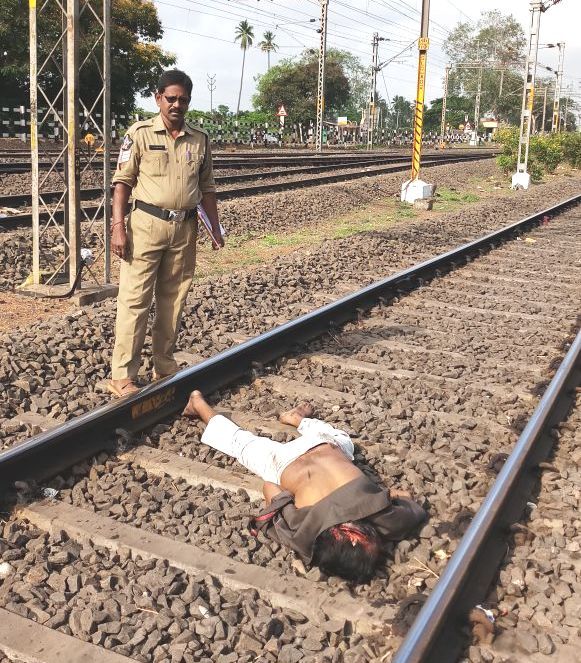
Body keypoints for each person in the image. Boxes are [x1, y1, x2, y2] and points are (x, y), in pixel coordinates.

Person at [183, 391, 427, 584]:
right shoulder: (305, 528)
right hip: (284, 463)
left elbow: (409, 500)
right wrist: (287, 499)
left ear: (357, 537)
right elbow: (269, 487)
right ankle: (198, 403)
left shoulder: (382, 514)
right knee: (239, 443)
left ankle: (299, 419)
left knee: (341, 439)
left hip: (324, 443)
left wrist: (387, 494)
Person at [107, 69, 224, 398]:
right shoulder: (140, 134)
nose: (176, 105)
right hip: (146, 226)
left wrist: (215, 228)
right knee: (135, 300)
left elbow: (207, 188)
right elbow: (122, 184)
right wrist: (118, 228)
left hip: (184, 229)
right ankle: (122, 375)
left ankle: (164, 365)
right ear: (158, 98)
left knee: (174, 300)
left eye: (182, 100)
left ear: (188, 102)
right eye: (170, 98)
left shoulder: (199, 139)